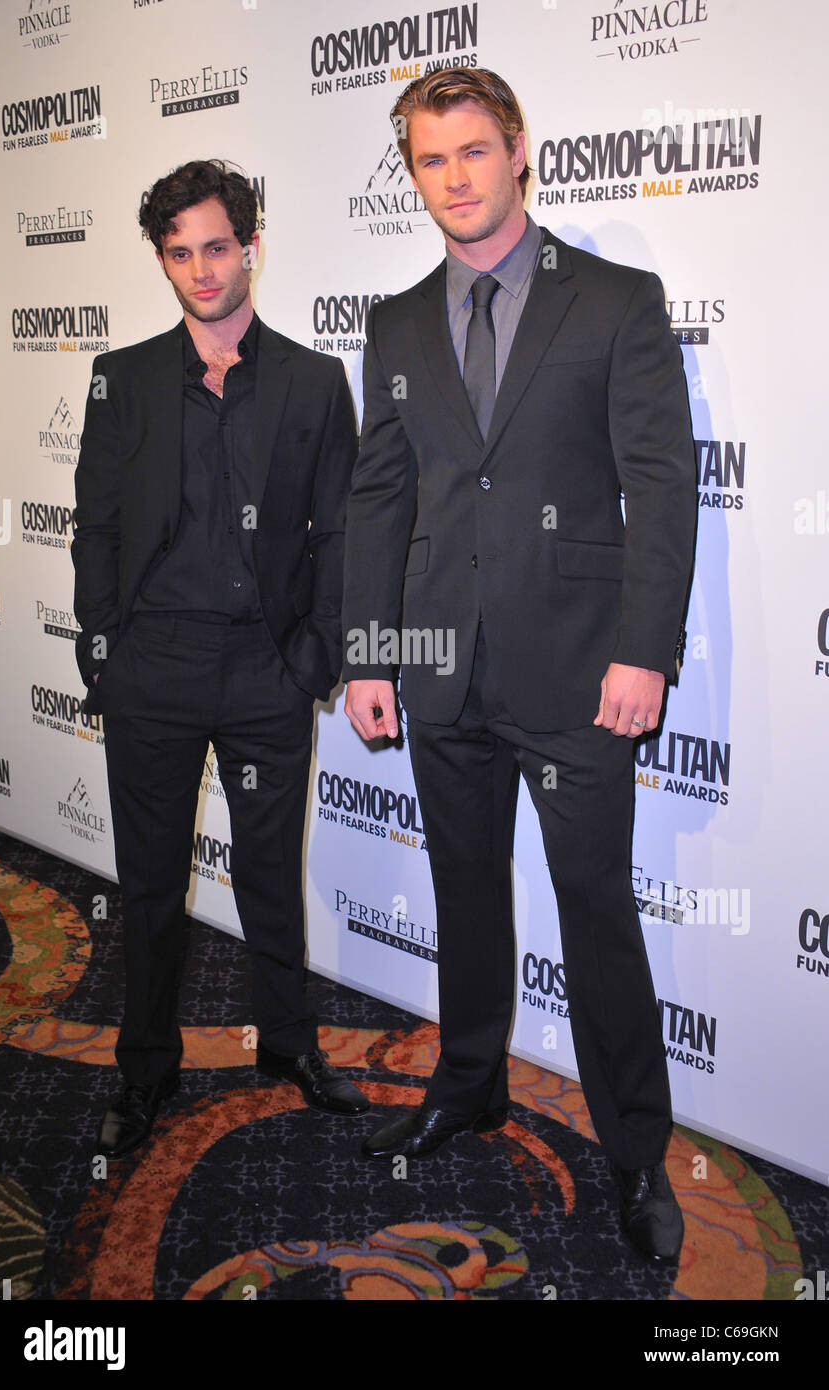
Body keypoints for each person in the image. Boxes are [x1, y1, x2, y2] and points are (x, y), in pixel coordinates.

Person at [342, 71, 697, 1264]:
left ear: (520, 152)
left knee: (598, 915)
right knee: (465, 887)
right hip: (440, 665)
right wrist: (374, 651)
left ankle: (638, 1152)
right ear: (416, 174)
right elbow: (381, 497)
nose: (457, 179)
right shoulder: (393, 326)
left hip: (583, 671)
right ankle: (472, 1076)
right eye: (433, 161)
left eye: (475, 153)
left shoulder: (612, 301)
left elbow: (662, 486)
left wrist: (646, 648)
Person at [72, 159, 367, 1159]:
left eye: (215, 246)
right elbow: (96, 527)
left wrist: (313, 657)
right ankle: (144, 1067)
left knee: (269, 875)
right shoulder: (123, 378)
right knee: (149, 884)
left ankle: (288, 1045)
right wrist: (102, 648)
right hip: (151, 667)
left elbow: (339, 535)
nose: (200, 270)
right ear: (163, 259)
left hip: (264, 669)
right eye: (179, 253)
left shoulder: (316, 383)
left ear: (250, 246)